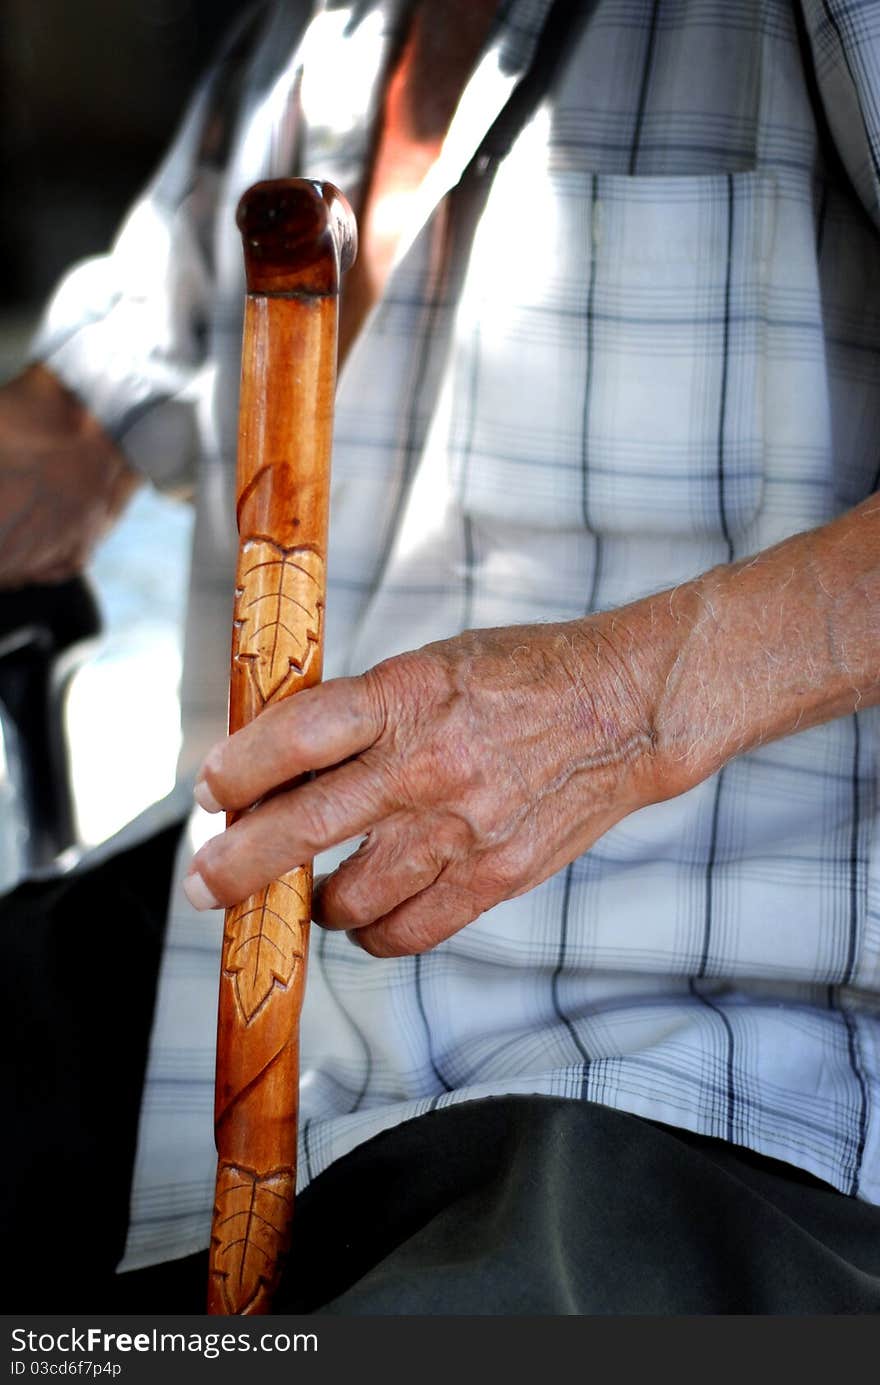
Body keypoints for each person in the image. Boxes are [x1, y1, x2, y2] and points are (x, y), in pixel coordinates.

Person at [2, 0, 880, 1313]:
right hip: (231, 1016)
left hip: (679, 1095)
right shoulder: (315, 38)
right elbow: (71, 423)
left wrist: (618, 700)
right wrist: (50, 443)